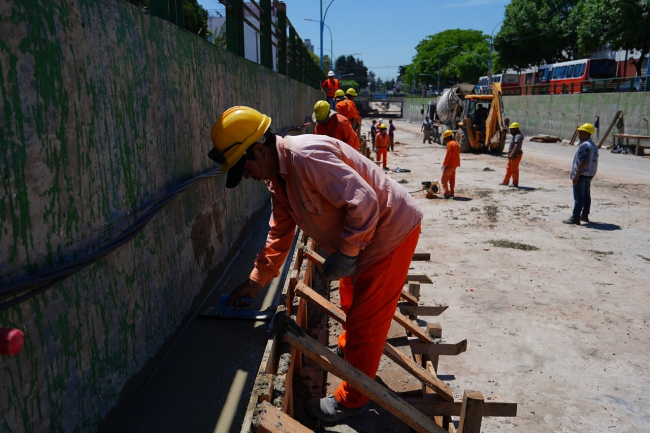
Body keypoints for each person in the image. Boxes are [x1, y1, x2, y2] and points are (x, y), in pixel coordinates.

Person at [209, 106, 423, 423]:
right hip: (363, 236)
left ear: (258, 149)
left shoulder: (306, 157)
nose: (248, 176)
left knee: (368, 316)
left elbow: (365, 202)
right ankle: (349, 347)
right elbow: (280, 233)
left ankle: (352, 401)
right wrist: (256, 281)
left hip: (390, 230)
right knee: (350, 297)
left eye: (245, 168)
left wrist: (348, 253)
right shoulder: (277, 179)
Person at [563, 123, 599, 225]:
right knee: (586, 196)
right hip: (589, 175)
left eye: (581, 133)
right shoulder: (593, 145)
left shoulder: (585, 146)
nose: (579, 135)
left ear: (587, 134)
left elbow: (583, 161)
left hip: (582, 174)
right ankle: (584, 215)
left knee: (579, 197)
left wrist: (576, 175)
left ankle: (575, 217)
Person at [500, 122, 524, 187]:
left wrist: (512, 154)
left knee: (514, 169)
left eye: (511, 129)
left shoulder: (518, 136)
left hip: (515, 156)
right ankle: (505, 182)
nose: (510, 131)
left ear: (516, 129)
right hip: (513, 156)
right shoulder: (515, 136)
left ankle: (515, 183)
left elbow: (516, 145)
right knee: (509, 169)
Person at [440, 129, 460, 199]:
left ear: (448, 137)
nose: (445, 140)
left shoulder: (450, 144)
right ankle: (451, 192)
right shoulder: (456, 143)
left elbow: (448, 155)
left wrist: (444, 164)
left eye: (445, 138)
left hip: (450, 164)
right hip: (455, 164)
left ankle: (447, 194)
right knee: (452, 179)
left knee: (444, 179)